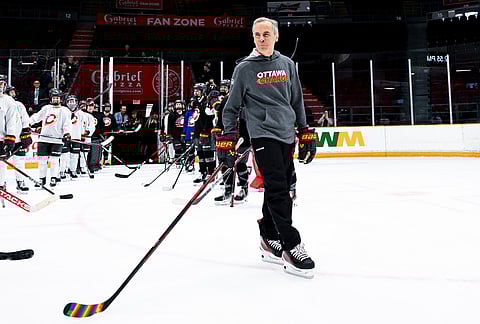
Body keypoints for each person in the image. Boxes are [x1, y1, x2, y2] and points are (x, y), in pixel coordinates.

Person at [221, 17, 317, 278]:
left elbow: (296, 100)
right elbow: (231, 107)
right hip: (262, 135)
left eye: (265, 34)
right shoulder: (244, 68)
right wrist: (228, 137)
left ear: (276, 36)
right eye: (256, 35)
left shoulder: (286, 64)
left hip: (286, 134)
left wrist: (304, 131)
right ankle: (291, 244)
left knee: (281, 185)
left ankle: (268, 237)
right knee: (277, 187)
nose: (261, 39)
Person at [29, 88, 72, 187]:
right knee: (42, 161)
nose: (55, 100)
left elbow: (67, 124)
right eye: (54, 98)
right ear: (51, 99)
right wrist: (28, 124)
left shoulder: (65, 110)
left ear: (61, 99)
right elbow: (36, 117)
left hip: (57, 140)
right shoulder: (46, 108)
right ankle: (41, 179)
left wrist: (67, 133)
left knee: (54, 160)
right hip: (43, 139)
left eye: (57, 98)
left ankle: (53, 178)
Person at [5, 85, 32, 193]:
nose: (12, 94)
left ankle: (20, 181)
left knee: (19, 161)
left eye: (13, 92)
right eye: (9, 92)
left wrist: (25, 131)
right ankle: (1, 182)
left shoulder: (19, 105)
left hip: (17, 139)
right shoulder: (3, 103)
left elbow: (25, 118)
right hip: (3, 138)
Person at [0, 76, 19, 195]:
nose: (0, 86)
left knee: (1, 164)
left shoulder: (8, 101)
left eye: (1, 84)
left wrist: (10, 138)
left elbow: (11, 121)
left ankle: (1, 184)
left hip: (1, 138)